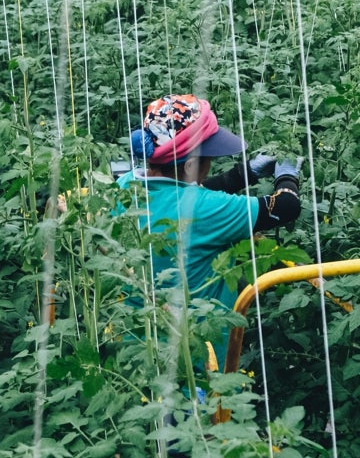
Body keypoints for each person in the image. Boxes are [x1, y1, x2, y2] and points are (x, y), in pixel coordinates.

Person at [116, 93, 301, 371]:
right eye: (208, 158)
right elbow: (285, 207)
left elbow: (185, 192)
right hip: (199, 360)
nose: (211, 163)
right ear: (190, 165)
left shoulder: (125, 185)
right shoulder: (204, 210)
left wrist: (243, 174)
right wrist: (287, 176)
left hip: (138, 346)